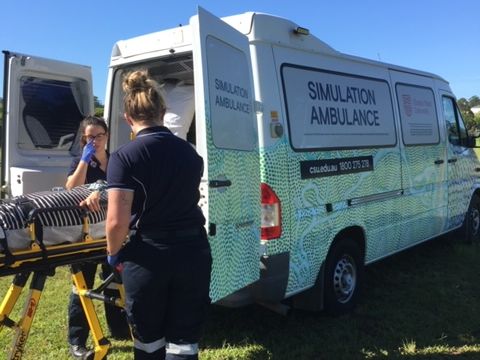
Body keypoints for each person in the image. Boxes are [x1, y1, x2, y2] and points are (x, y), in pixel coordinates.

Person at [105, 70, 211, 360]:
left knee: (149, 341)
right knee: (185, 341)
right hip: (192, 252)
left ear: (128, 118)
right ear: (163, 113)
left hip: (149, 255)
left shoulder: (124, 156)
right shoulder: (191, 154)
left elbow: (116, 221)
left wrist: (113, 253)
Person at [66, 115, 130, 359]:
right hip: (85, 233)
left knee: (114, 281)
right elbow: (71, 189)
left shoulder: (116, 160)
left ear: (107, 136)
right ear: (84, 138)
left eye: (99, 136)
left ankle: (119, 328)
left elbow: (123, 186)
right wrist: (84, 161)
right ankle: (77, 341)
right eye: (90, 136)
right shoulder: (80, 162)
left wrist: (100, 188)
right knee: (81, 286)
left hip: (111, 231)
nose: (95, 141)